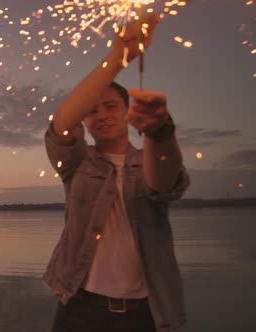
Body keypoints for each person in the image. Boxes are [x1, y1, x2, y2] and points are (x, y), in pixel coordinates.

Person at [44, 13, 190, 332]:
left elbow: (164, 184)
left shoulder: (147, 159)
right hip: (79, 307)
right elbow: (60, 126)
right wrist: (118, 56)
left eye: (111, 107)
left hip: (147, 312)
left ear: (128, 112)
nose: (101, 116)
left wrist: (160, 132)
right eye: (92, 111)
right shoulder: (78, 162)